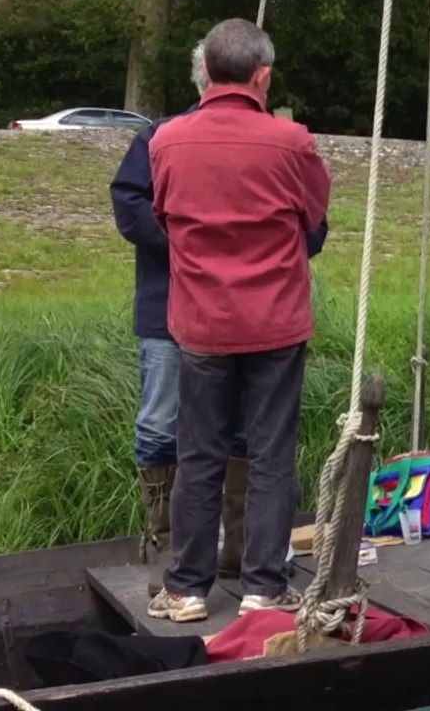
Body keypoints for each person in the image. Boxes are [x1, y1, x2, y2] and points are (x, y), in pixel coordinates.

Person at [110, 40, 329, 600]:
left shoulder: (164, 140)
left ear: (205, 71)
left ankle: (185, 589)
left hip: (200, 321)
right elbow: (315, 227)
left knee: (197, 451)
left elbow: (161, 215)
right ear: (264, 76)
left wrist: (202, 251)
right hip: (274, 320)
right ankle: (263, 588)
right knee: (270, 453)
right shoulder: (292, 141)